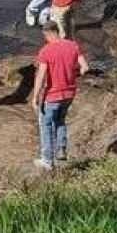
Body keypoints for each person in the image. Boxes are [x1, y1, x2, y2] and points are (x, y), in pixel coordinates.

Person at [31, 24, 89, 170]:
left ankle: (47, 160)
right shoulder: (73, 45)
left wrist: (35, 96)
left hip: (53, 95)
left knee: (46, 125)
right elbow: (85, 67)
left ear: (47, 33)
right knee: (60, 120)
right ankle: (61, 148)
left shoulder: (46, 51)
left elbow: (41, 75)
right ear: (58, 31)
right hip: (69, 93)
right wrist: (75, 73)